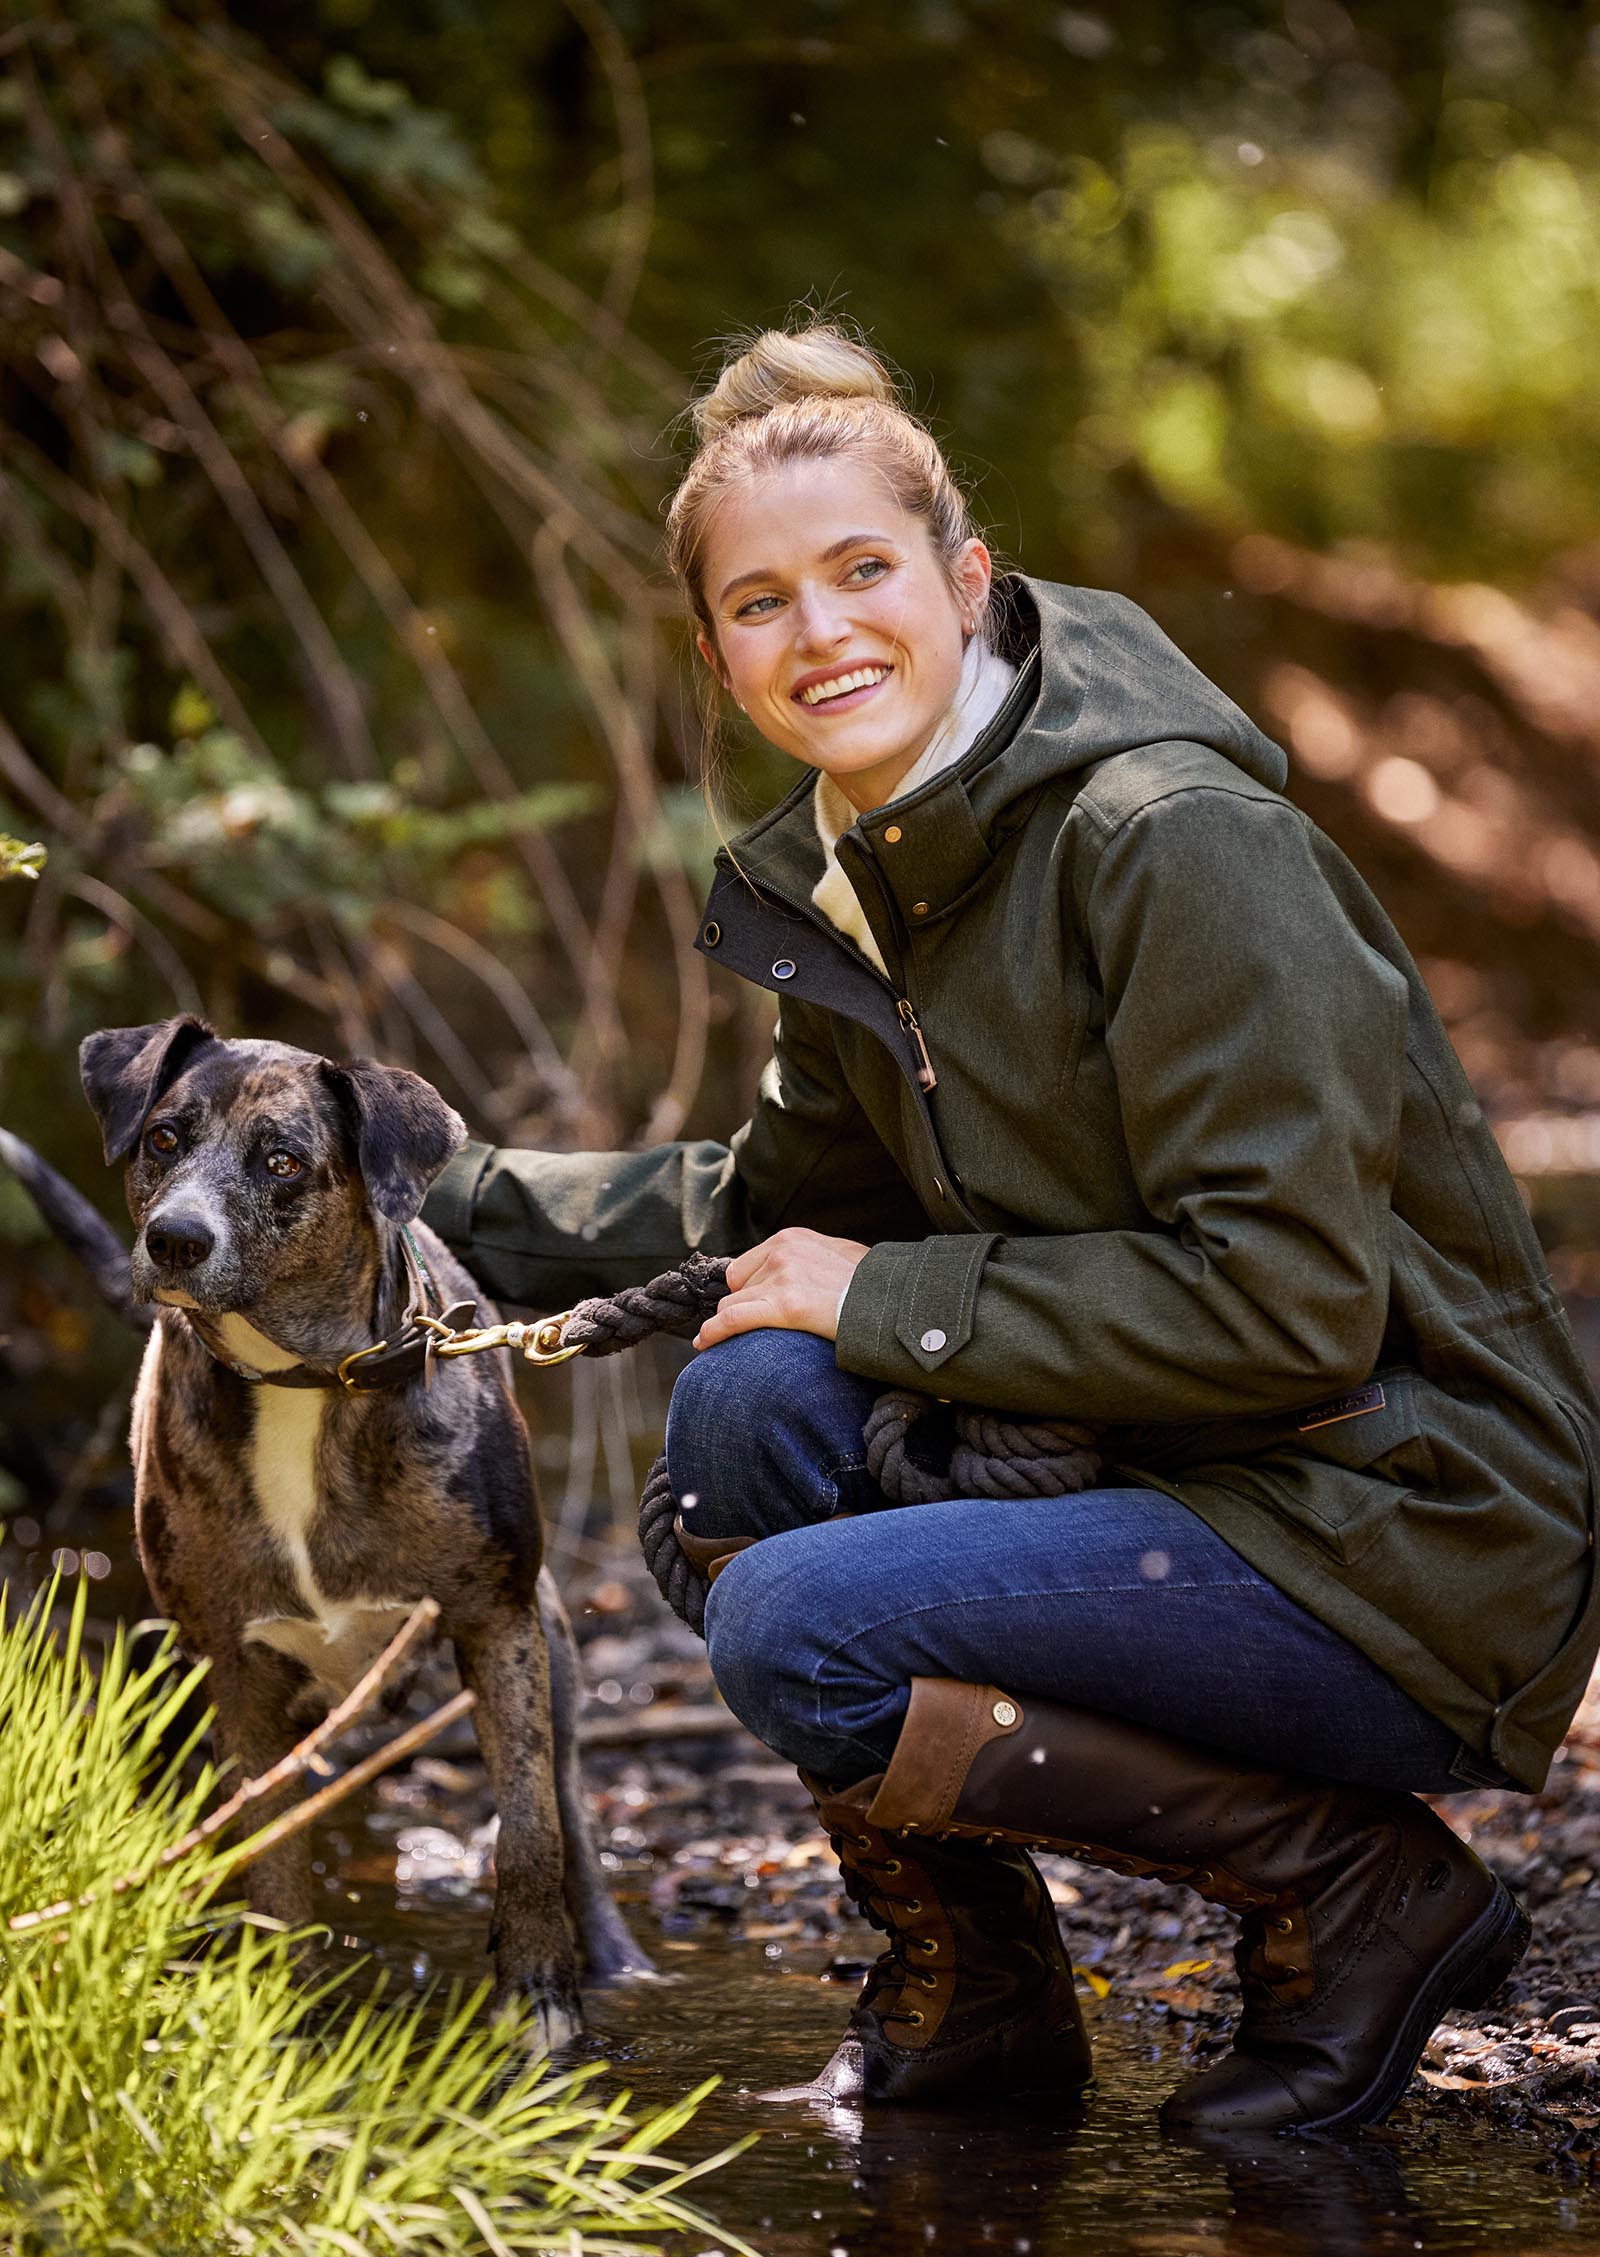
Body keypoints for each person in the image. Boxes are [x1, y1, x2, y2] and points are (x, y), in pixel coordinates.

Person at [421, 321, 1600, 2138]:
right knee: (745, 1418)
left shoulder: (1174, 841)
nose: (819, 634)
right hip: (1186, 1477)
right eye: (759, 604)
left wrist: (885, 1292)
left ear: (968, 581)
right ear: (718, 656)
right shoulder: (869, 869)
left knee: (799, 1631)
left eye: (862, 573)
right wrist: (422, 1191)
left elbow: (1283, 1307)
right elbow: (763, 1218)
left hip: (1407, 1526)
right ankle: (983, 1998)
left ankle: (1366, 1890)